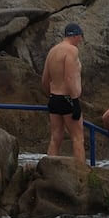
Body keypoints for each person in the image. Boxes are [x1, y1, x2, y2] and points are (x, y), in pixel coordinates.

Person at [41, 22, 85, 161]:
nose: (81, 40)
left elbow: (45, 79)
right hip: (68, 99)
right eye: (80, 37)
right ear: (76, 35)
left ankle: (48, 170)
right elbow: (69, 77)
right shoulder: (72, 50)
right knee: (78, 139)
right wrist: (75, 101)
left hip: (54, 98)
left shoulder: (53, 51)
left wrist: (50, 95)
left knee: (56, 137)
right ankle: (81, 174)